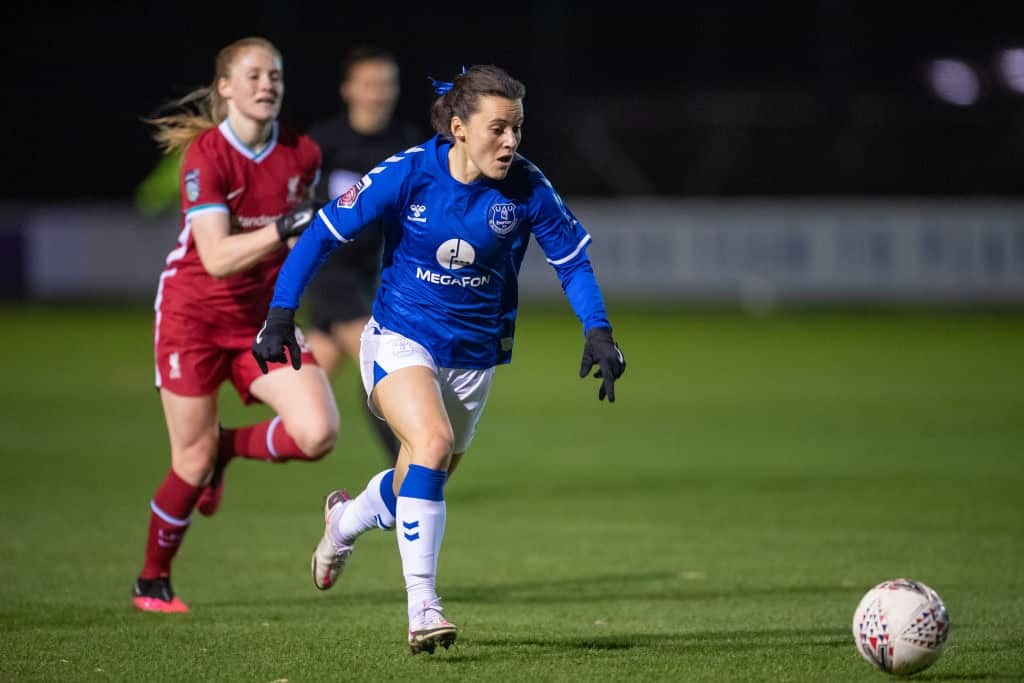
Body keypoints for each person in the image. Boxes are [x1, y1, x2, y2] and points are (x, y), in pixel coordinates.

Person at [252, 64, 625, 653]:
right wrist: (280, 313)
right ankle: (422, 605)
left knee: (416, 483)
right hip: (400, 337)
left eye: (517, 129)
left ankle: (345, 521)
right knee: (428, 444)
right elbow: (323, 232)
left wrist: (598, 330)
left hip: (474, 358)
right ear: (458, 126)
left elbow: (572, 261)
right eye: (497, 129)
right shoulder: (408, 173)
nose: (510, 142)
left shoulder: (527, 186)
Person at [132, 36, 340, 614]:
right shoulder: (207, 156)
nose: (266, 85)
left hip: (261, 319)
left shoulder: (303, 154)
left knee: (317, 432)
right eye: (252, 76)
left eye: (274, 75)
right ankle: (152, 581)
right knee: (188, 463)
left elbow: (301, 241)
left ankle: (227, 447)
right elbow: (219, 257)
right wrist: (284, 229)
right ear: (225, 88)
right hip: (191, 317)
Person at [302, 47, 424, 464]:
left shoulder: (406, 144)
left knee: (303, 396)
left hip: (373, 274)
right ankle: (410, 468)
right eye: (369, 84)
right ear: (348, 90)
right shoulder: (322, 144)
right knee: (382, 357)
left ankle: (228, 446)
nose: (379, 93)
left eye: (387, 84)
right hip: (329, 272)